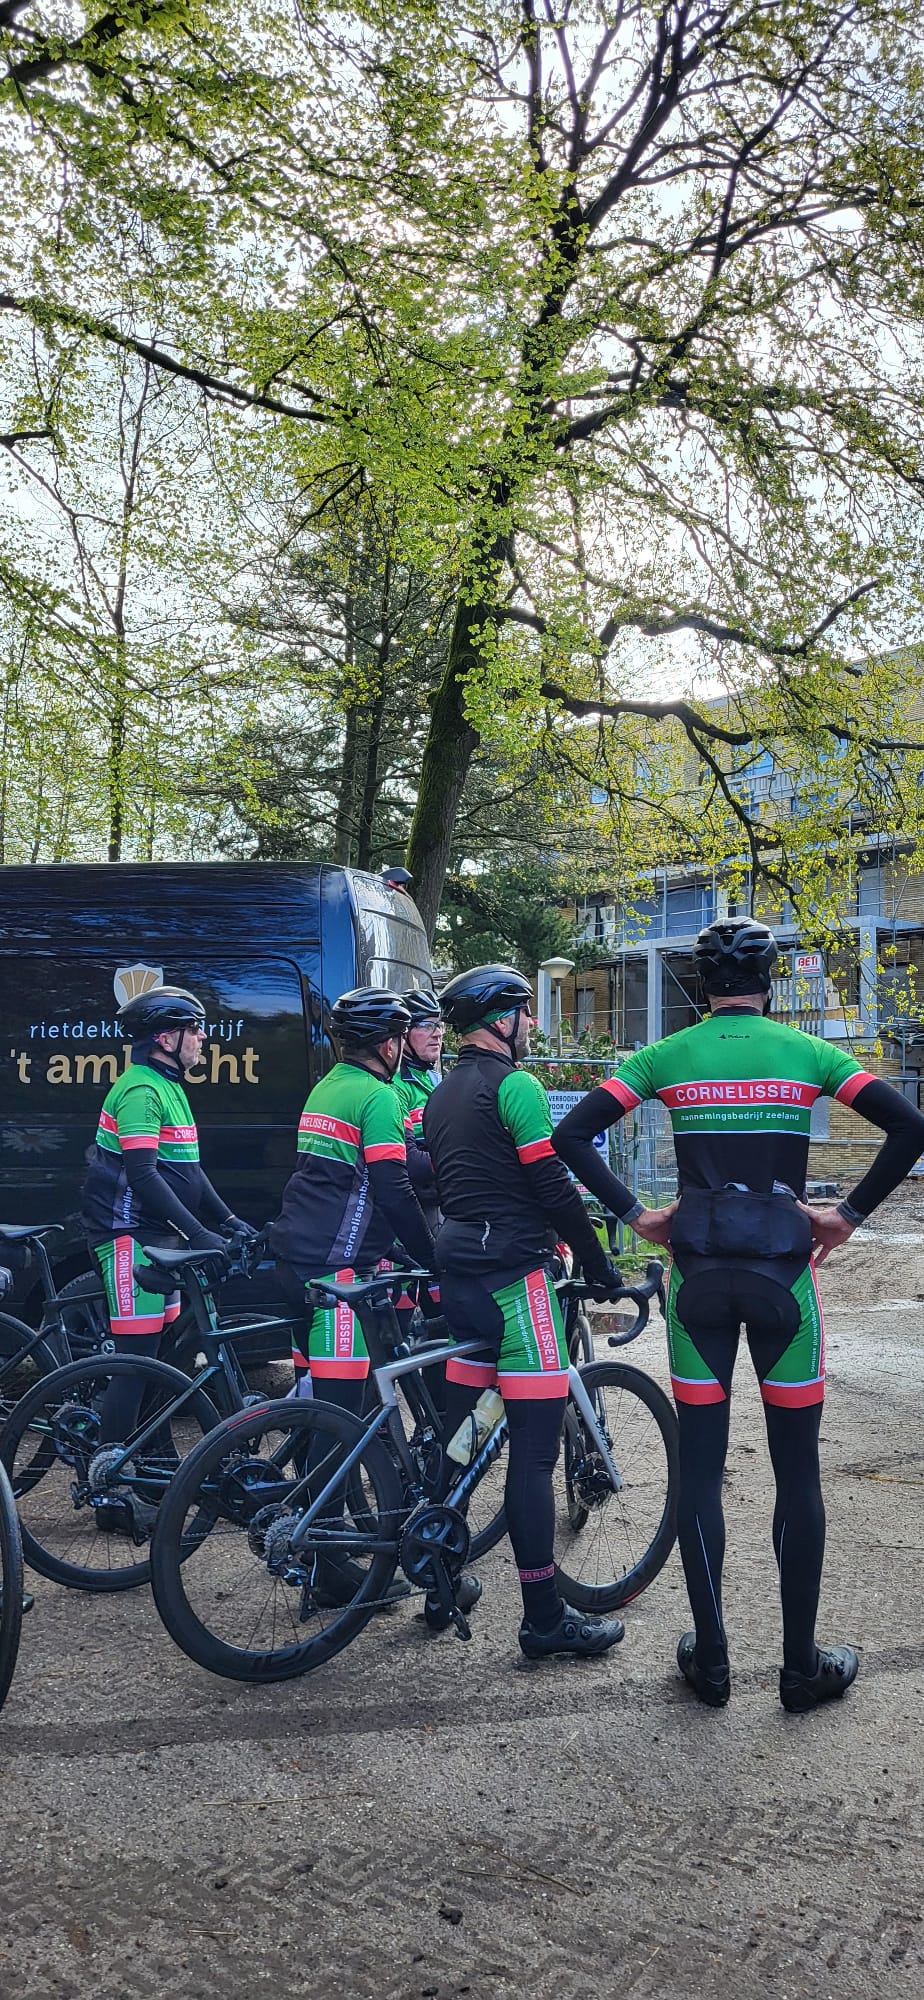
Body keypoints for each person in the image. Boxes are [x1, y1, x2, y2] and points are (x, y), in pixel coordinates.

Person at [552, 918, 924, 1713]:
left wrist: (637, 1215)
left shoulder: (665, 1057)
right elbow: (910, 1126)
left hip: (698, 1285)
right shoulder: (810, 1054)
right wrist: (847, 1216)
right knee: (797, 1472)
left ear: (701, 984)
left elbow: (572, 1134)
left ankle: (713, 1663)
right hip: (784, 1282)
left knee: (698, 1472)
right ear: (770, 979)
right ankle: (800, 1669)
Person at [423, 963, 626, 1661]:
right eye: (526, 1012)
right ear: (501, 1020)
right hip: (516, 1282)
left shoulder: (440, 1094)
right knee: (535, 1457)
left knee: (460, 1441)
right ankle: (543, 1617)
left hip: (460, 1282)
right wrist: (598, 1262)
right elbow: (550, 1184)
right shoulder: (516, 1087)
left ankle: (439, 1579)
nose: (533, 1025)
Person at [270, 985, 440, 1609]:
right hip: (336, 1274)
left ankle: (317, 1526)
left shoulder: (328, 1086)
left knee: (323, 1404)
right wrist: (434, 1259)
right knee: (338, 1417)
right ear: (390, 1044)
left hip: (296, 1261)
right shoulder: (377, 1096)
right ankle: (327, 1563)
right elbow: (393, 1190)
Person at [81, 986, 250, 1481]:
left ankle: (154, 1466)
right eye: (194, 1029)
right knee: (135, 1363)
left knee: (162, 1360)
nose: (203, 1038)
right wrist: (198, 1233)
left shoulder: (169, 1085)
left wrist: (229, 1221)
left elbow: (189, 1171)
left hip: (159, 1240)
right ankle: (109, 1482)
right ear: (164, 1038)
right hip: (128, 1235)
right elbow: (143, 1175)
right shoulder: (141, 1090)